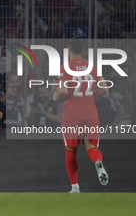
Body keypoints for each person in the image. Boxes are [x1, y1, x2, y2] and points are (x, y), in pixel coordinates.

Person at [53, 37, 109, 193]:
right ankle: (98, 162)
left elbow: (62, 91)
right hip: (90, 113)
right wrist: (91, 95)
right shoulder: (92, 67)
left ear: (69, 50)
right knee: (91, 145)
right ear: (83, 50)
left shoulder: (65, 68)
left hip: (72, 114)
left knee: (71, 149)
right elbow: (105, 89)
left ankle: (75, 187)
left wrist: (55, 97)